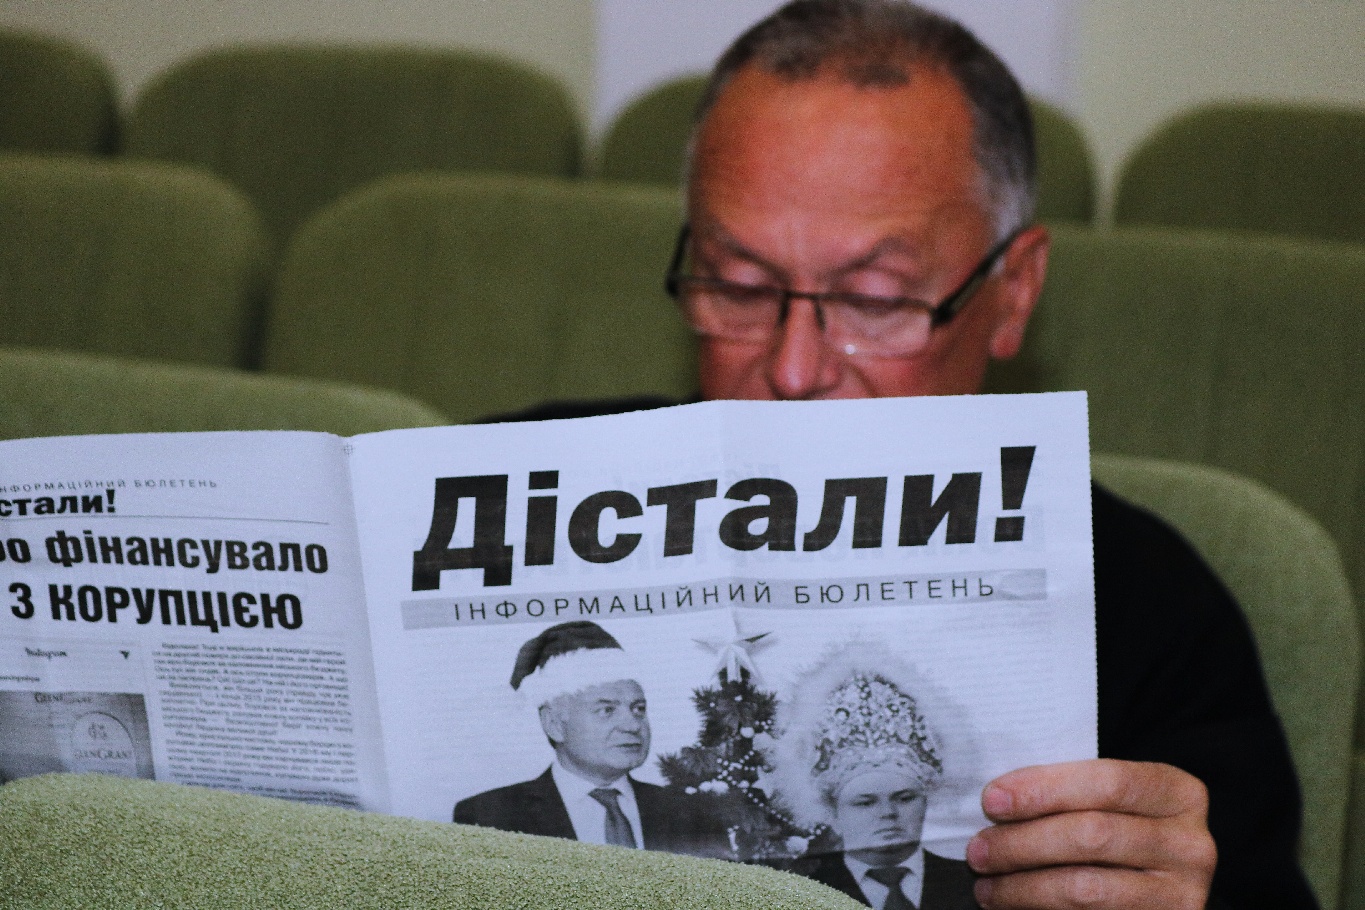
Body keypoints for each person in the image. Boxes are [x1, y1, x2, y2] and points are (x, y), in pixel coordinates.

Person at [492, 2, 1315, 908]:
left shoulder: (1145, 608)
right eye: (738, 284)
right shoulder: (524, 483)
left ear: (1012, 292)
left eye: (875, 300)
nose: (793, 369)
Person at [452, 621, 723, 857]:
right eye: (606, 710)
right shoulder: (489, 818)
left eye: (638, 709)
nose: (633, 725)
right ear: (555, 724)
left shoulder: (693, 813)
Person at [773, 644, 978, 910]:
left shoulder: (976, 884)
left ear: (926, 802)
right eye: (865, 802)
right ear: (833, 813)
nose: (888, 813)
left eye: (904, 798)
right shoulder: (797, 895)